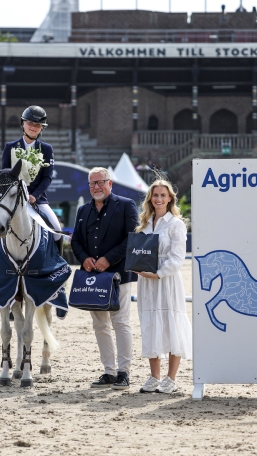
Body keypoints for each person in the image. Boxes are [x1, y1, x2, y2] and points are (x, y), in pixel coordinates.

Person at [70, 167, 138, 391]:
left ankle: (124, 372)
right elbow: (76, 241)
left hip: (119, 275)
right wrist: (84, 258)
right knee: (100, 325)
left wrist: (109, 259)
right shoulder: (83, 210)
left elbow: (132, 239)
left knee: (120, 323)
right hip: (93, 276)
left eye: (100, 182)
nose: (96, 187)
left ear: (110, 184)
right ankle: (109, 372)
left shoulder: (126, 205)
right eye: (92, 184)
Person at [135, 178, 192, 394]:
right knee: (150, 324)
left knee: (172, 325)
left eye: (163, 195)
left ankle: (171, 379)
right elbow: (138, 252)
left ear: (170, 199)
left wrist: (158, 274)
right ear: (150, 198)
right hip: (145, 283)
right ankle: (154, 377)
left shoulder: (176, 224)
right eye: (155, 195)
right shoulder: (145, 223)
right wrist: (137, 267)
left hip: (166, 281)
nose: (159, 199)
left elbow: (178, 258)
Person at [0, 106, 61, 239]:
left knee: (57, 229)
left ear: (42, 128)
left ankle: (56, 260)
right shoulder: (10, 147)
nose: (33, 127)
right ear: (23, 123)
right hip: (12, 199)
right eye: (30, 123)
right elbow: (5, 176)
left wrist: (34, 195)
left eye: (38, 125)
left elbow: (47, 177)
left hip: (37, 200)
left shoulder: (47, 149)